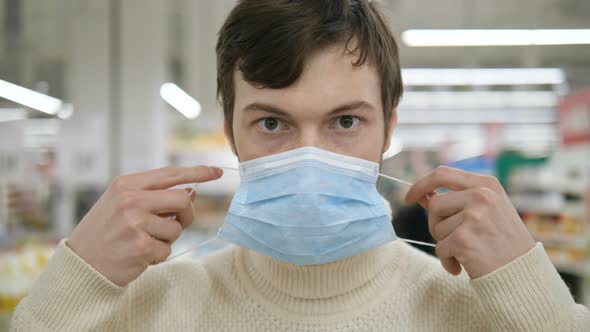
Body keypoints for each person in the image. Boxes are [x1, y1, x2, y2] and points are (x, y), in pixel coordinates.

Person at [11, 0, 590, 331]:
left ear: (390, 126)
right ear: (231, 130)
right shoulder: (151, 308)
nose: (308, 158)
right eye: (271, 123)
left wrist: (532, 292)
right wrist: (75, 280)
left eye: (344, 123)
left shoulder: (477, 312)